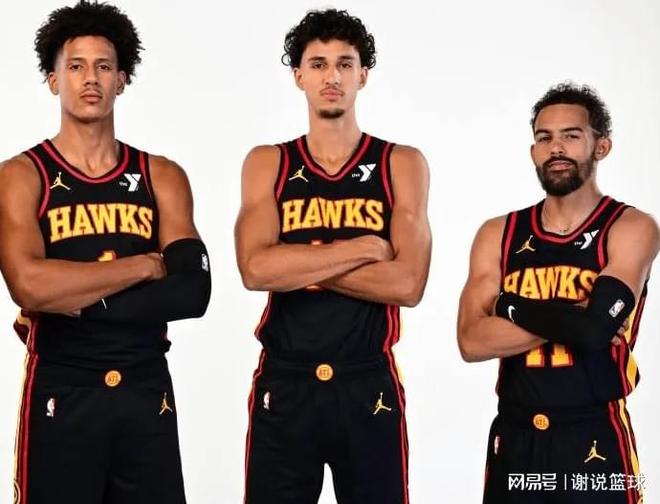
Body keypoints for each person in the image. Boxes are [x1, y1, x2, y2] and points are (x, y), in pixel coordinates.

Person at [0, 2, 211, 503]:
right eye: (75, 66)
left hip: (146, 390)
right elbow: (29, 285)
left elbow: (192, 291)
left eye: (103, 66)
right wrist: (143, 265)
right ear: (53, 79)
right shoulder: (22, 176)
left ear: (122, 80)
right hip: (63, 392)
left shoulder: (161, 175)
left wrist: (74, 300)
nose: (90, 78)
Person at [235, 9, 431, 504]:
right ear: (298, 75)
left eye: (345, 64)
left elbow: (407, 284)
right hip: (286, 380)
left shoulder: (400, 163)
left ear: (363, 75)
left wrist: (297, 265)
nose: (332, 77)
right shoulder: (269, 162)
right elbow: (255, 269)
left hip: (367, 380)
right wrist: (361, 250)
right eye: (318, 64)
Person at [457, 82, 659, 503]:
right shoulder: (498, 233)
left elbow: (593, 331)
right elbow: (472, 341)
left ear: (601, 146)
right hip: (517, 435)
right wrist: (575, 316)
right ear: (533, 151)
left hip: (595, 434)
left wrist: (508, 306)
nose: (556, 148)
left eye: (571, 135)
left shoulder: (631, 227)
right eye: (544, 138)